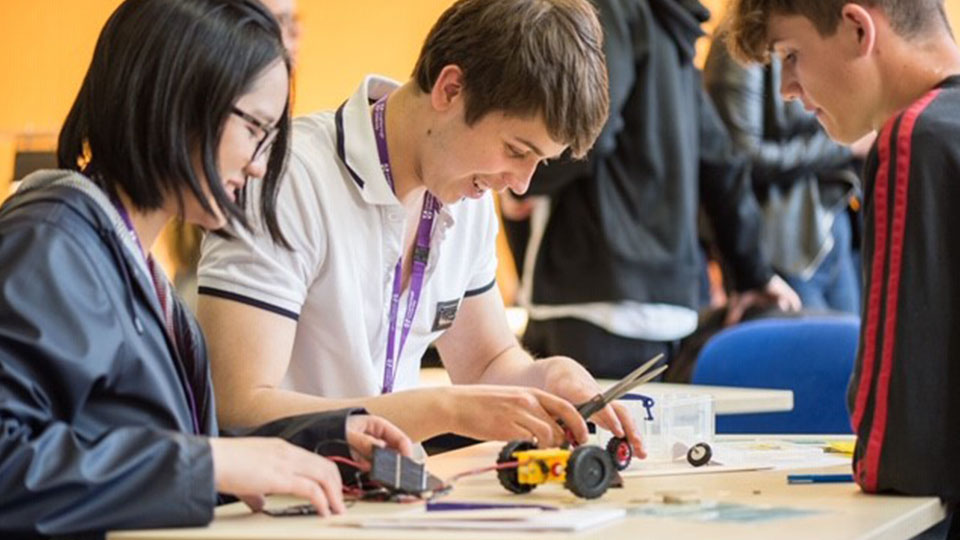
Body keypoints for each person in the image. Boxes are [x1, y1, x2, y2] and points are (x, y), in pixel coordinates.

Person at [0, 0, 411, 536]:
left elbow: (146, 451)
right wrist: (212, 465)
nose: (260, 163)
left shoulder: (122, 256)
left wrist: (322, 438)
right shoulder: (52, 245)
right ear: (178, 103)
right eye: (255, 129)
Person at [196, 0, 642, 453]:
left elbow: (487, 363)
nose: (522, 185)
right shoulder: (286, 178)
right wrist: (440, 410)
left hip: (384, 500)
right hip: (275, 506)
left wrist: (545, 377)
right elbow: (237, 407)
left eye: (539, 161)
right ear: (450, 89)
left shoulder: (467, 199)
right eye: (516, 150)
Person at [726, 0, 960, 532]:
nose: (787, 87)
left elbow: (898, 446)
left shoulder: (915, 138)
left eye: (791, 54)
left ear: (857, 28)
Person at [510, 0, 802, 380]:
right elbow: (720, 159)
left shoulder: (605, 10)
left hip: (590, 294)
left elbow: (590, 127)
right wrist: (752, 275)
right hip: (670, 312)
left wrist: (522, 179)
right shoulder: (672, 28)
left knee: (579, 439)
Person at [703, 26, 864, 315]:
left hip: (833, 225)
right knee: (807, 354)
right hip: (779, 242)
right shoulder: (739, 39)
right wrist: (846, 147)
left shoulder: (818, 30)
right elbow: (741, 157)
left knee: (852, 352)